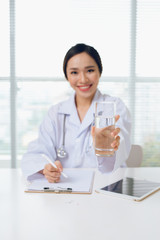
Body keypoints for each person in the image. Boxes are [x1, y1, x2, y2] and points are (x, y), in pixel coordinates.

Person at [22, 43, 131, 182]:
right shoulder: (56, 113)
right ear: (67, 76)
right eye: (74, 72)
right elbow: (36, 154)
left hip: (106, 185)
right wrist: (46, 169)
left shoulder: (115, 106)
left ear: (100, 71)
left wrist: (107, 147)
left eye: (90, 70)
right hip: (66, 186)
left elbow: (120, 151)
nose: (83, 79)